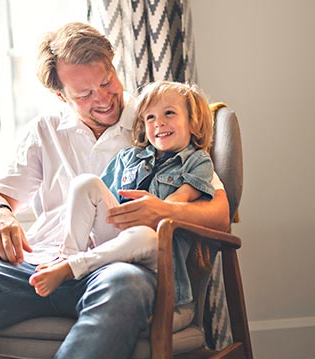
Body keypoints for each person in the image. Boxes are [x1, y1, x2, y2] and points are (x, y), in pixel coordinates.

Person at [0, 22, 229, 359]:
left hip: (117, 266)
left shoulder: (154, 122)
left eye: (108, 81)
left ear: (113, 65)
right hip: (41, 263)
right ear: (61, 96)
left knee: (124, 285)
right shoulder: (44, 130)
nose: (105, 98)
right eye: (85, 93)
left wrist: (162, 213)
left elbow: (220, 215)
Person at [29, 80, 216, 297]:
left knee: (144, 235)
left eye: (169, 113)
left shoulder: (197, 161)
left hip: (156, 247)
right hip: (117, 235)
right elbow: (100, 198)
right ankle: (68, 256)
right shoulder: (129, 157)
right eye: (150, 117)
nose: (159, 123)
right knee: (86, 182)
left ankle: (73, 268)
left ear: (193, 123)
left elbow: (181, 198)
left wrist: (154, 208)